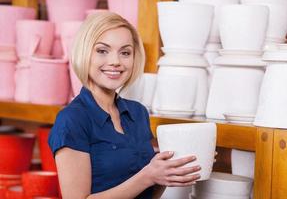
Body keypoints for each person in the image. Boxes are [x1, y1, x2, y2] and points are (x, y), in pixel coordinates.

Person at [48, 12, 201, 199]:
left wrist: (172, 171)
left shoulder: (138, 113)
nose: (115, 62)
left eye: (125, 52)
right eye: (102, 51)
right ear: (84, 52)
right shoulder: (72, 119)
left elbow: (147, 193)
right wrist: (148, 176)